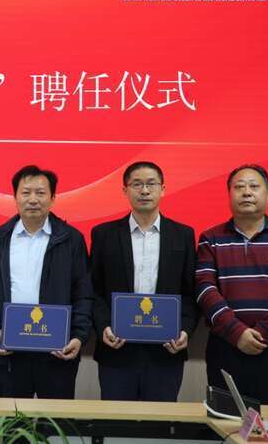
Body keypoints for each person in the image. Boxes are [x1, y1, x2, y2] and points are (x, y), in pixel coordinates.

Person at [0, 165, 93, 399]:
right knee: (13, 420)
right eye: (26, 192)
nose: (33, 199)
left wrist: (78, 336)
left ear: (53, 198)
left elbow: (83, 293)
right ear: (15, 197)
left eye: (40, 193)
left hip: (57, 352)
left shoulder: (71, 239)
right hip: (11, 352)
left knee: (56, 420)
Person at [196, 164, 268, 404]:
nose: (246, 192)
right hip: (225, 349)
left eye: (254, 186)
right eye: (239, 187)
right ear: (229, 195)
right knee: (225, 421)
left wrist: (263, 334)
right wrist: (237, 333)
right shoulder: (210, 239)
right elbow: (205, 290)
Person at [90, 161, 197, 401]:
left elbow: (190, 293)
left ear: (163, 189)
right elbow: (93, 290)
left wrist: (184, 330)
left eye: (151, 184)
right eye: (137, 184)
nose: (145, 190)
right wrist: (104, 326)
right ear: (125, 190)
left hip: (166, 350)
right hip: (117, 349)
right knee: (118, 420)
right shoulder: (104, 234)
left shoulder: (183, 235)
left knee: (160, 421)